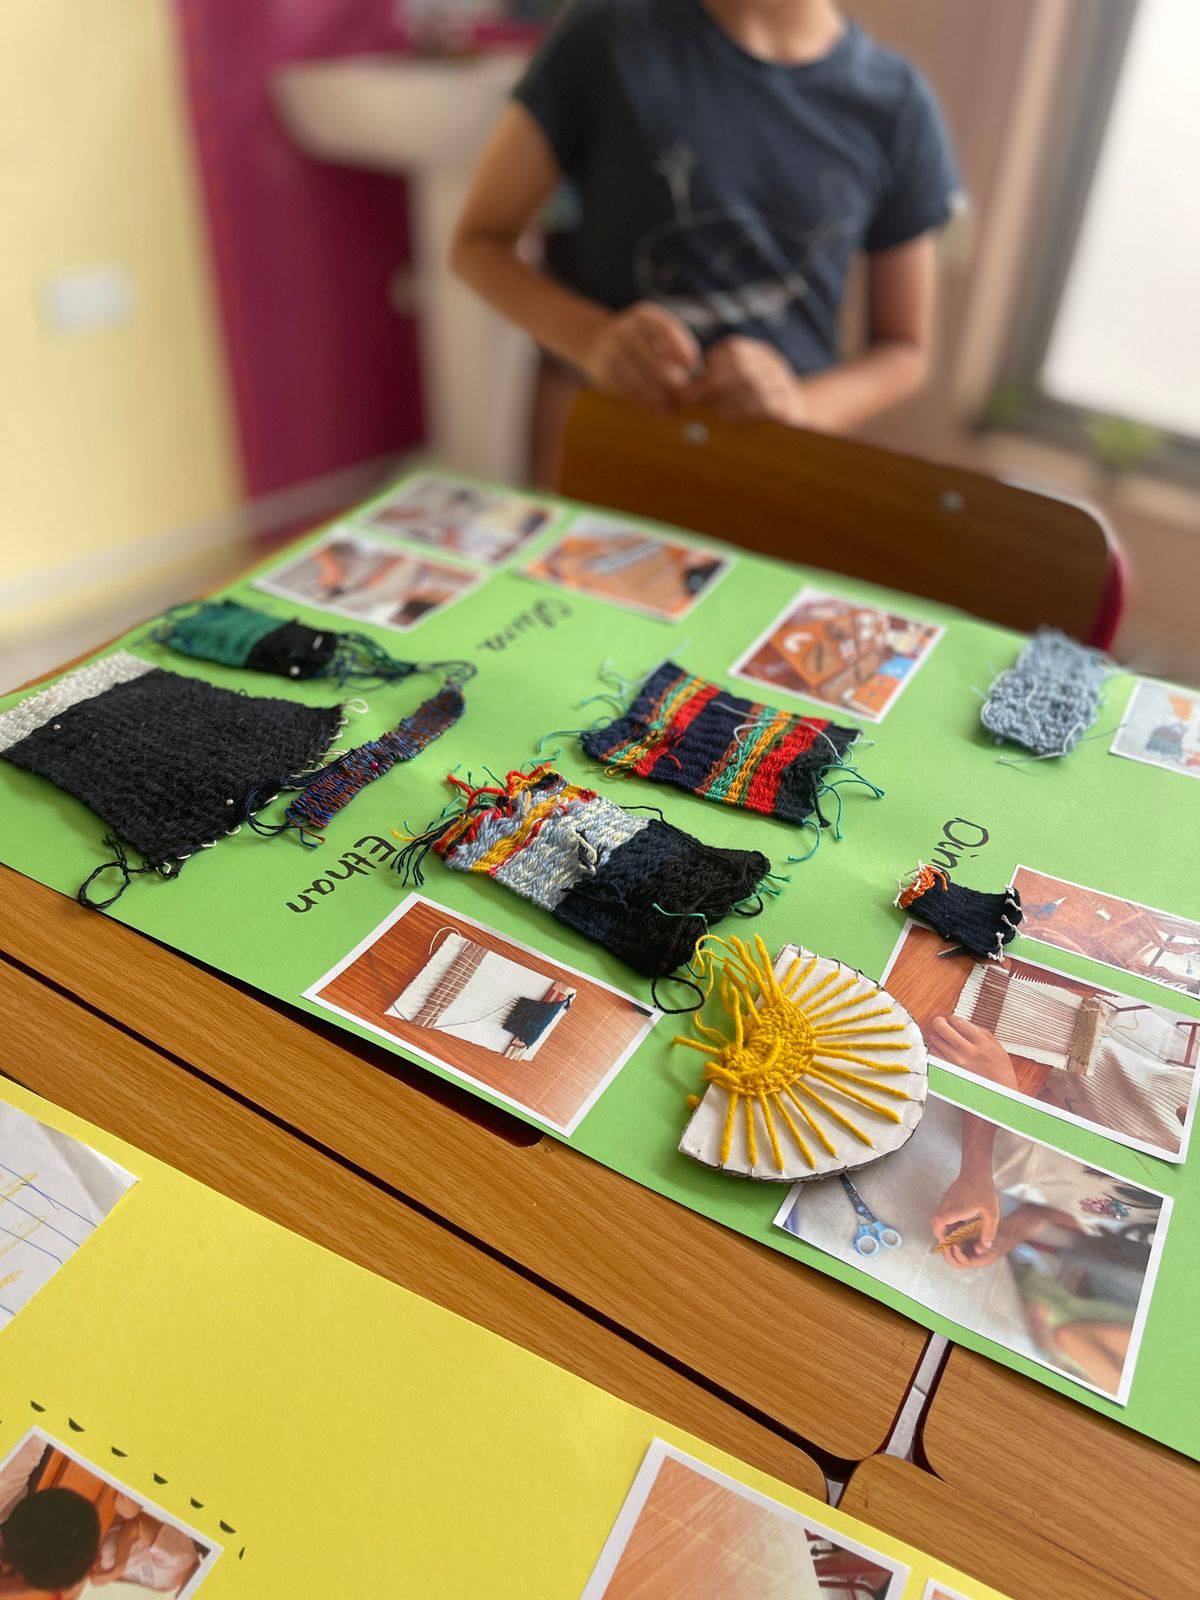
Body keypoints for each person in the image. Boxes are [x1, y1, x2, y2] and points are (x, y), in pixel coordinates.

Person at [452, 0, 962, 479]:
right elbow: (479, 243)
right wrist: (594, 341)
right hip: (614, 454)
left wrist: (800, 408)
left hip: (780, 473)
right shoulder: (607, 34)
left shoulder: (897, 106)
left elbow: (904, 350)